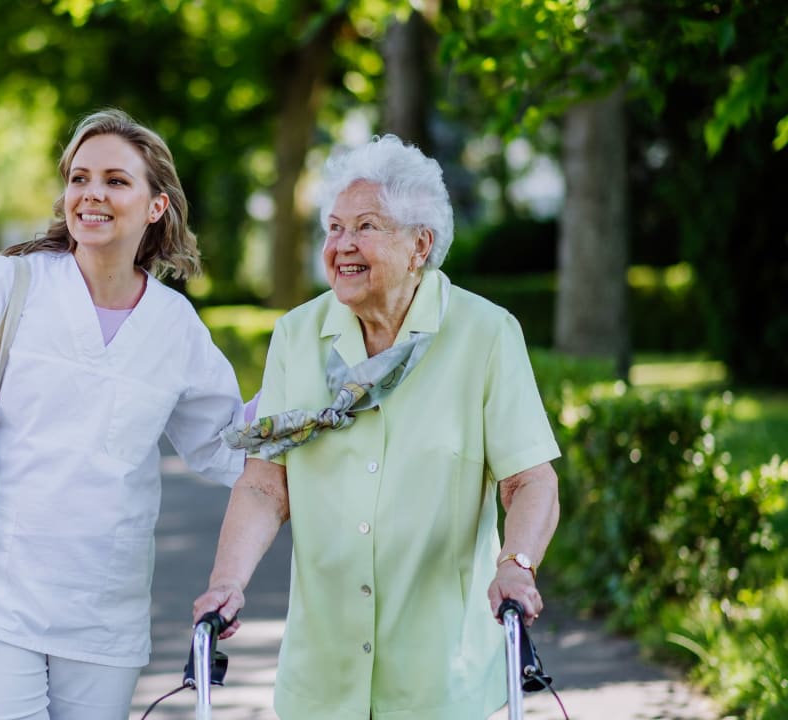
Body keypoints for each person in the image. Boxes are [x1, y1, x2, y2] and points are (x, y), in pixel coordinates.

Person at [0, 108, 247, 720]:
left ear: (155, 206)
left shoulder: (176, 328)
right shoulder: (2, 286)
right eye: (79, 178)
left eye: (116, 181)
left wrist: (322, 414)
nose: (92, 194)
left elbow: (230, 447)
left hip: (106, 623)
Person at [192, 134, 561, 719]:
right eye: (333, 228)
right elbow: (266, 483)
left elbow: (529, 480)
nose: (341, 245)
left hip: (441, 677)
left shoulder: (486, 334)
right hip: (323, 675)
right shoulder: (297, 335)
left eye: (364, 226)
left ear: (420, 245)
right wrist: (225, 583)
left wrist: (516, 567)